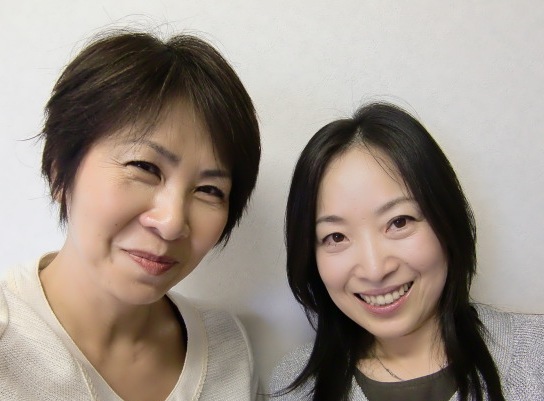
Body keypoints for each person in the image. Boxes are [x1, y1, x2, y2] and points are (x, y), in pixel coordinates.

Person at [0, 30, 261, 401]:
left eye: (209, 190)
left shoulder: (227, 347)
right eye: (144, 167)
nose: (172, 223)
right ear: (60, 173)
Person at [269, 102, 543, 400]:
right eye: (336, 237)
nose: (375, 269)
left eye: (399, 222)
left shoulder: (535, 356)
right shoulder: (291, 388)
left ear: (447, 219)